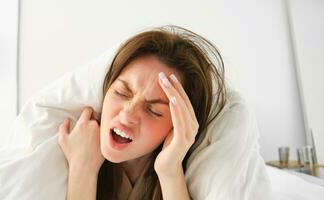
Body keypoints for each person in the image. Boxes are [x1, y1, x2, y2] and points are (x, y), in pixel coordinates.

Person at [58, 25, 226, 200]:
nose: (127, 115)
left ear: (179, 124)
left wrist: (170, 171)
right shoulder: (70, 147)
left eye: (153, 110)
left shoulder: (197, 176)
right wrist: (83, 169)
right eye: (122, 92)